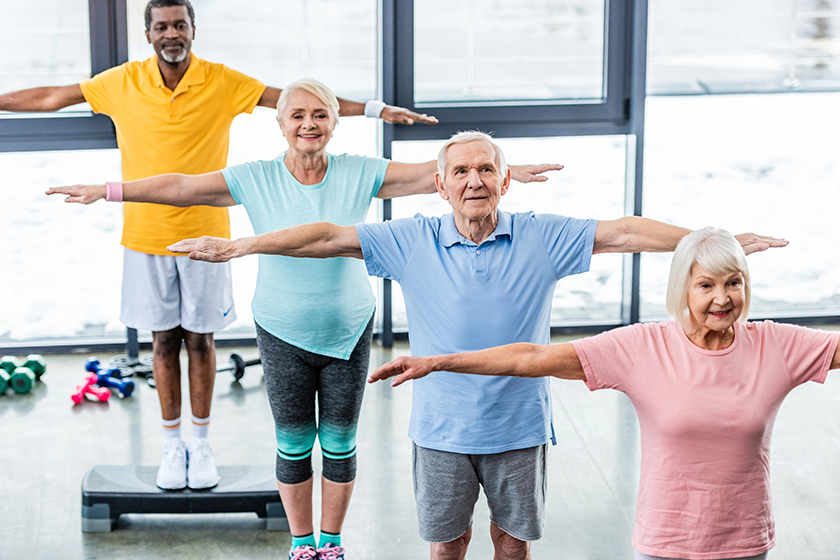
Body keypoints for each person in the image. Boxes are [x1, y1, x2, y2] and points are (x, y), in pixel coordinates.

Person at [149, 132, 787, 560]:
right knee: (447, 547)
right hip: (442, 428)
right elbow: (324, 237)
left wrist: (713, 239)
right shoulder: (412, 239)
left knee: (512, 547)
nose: (475, 180)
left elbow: (622, 232)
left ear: (505, 183)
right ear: (441, 183)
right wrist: (241, 246)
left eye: (487, 169)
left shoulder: (542, 236)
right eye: (462, 171)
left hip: (519, 426)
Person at [47, 85, 559, 559]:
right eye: (297, 115)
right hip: (281, 327)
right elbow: (184, 186)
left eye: (320, 114)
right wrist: (108, 189)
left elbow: (442, 168)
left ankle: (330, 542)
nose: (309, 124)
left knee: (339, 442)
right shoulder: (255, 176)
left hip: (348, 327)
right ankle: (301, 543)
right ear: (280, 123)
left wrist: (506, 168)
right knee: (292, 443)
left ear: (336, 123)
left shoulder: (361, 171)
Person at [1, 0, 437, 493]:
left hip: (210, 238)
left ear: (193, 30)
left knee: (201, 340)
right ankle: (173, 443)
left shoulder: (222, 80)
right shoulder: (118, 82)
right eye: (162, 26)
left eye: (180, 24)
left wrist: (376, 110)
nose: (172, 33)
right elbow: (49, 97)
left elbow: (294, 102)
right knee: (162, 341)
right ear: (148, 33)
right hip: (144, 234)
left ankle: (201, 442)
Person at [369, 226, 840, 560]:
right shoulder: (644, 347)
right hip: (666, 542)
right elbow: (533, 358)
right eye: (706, 285)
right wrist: (437, 361)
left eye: (733, 283)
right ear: (683, 287)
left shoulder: (775, 345)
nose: (722, 298)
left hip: (744, 542)